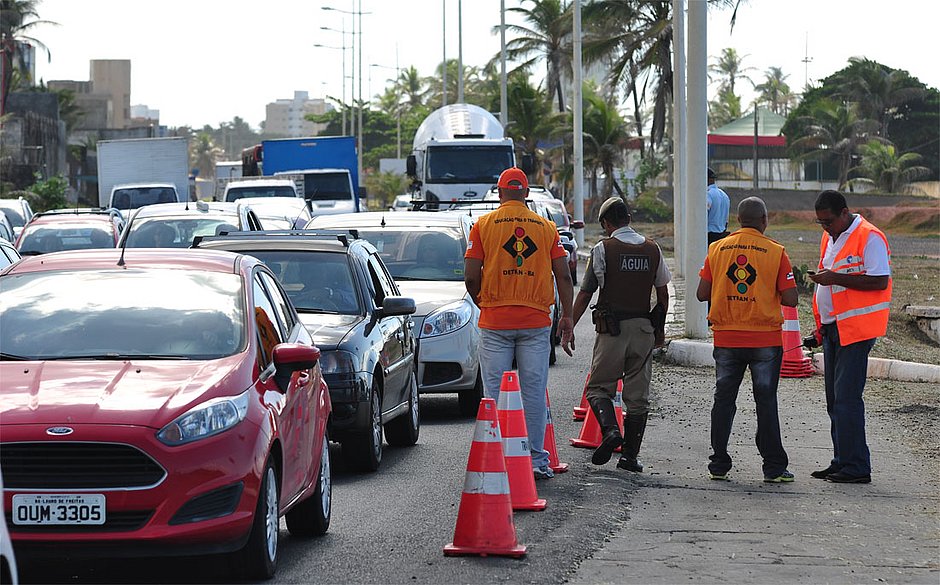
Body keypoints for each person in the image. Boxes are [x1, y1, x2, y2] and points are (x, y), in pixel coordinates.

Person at [464, 167, 575, 480]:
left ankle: (495, 458)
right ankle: (537, 461)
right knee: (533, 392)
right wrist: (566, 316)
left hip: (495, 322)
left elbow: (472, 276)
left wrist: (484, 302)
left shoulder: (483, 225)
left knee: (493, 394)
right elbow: (564, 275)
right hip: (536, 321)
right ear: (526, 194)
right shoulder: (546, 227)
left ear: (500, 193)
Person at [696, 196, 797, 483]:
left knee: (724, 399)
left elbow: (702, 294)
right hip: (765, 339)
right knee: (765, 401)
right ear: (764, 221)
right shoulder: (776, 251)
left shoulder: (716, 249)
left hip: (726, 338)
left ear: (738, 220)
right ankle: (774, 467)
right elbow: (791, 298)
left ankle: (719, 464)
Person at [571, 197, 670, 472]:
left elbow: (586, 292)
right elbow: (662, 295)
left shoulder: (603, 250)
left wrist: (569, 325)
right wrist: (658, 332)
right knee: (638, 397)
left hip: (612, 331)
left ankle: (611, 431)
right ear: (628, 218)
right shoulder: (653, 249)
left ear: (606, 223)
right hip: (643, 330)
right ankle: (630, 457)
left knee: (598, 388)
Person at [806, 190, 891, 484]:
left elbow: (880, 280)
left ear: (844, 213)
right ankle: (841, 460)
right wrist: (820, 325)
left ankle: (856, 466)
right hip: (833, 328)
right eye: (820, 223)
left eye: (828, 221)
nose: (825, 227)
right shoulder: (830, 237)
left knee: (846, 399)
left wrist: (835, 278)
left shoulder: (870, 236)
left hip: (856, 330)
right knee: (834, 400)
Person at [707, 167, 731, 244]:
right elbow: (726, 220)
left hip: (709, 236)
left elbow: (704, 216)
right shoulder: (724, 195)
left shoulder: (707, 194)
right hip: (722, 235)